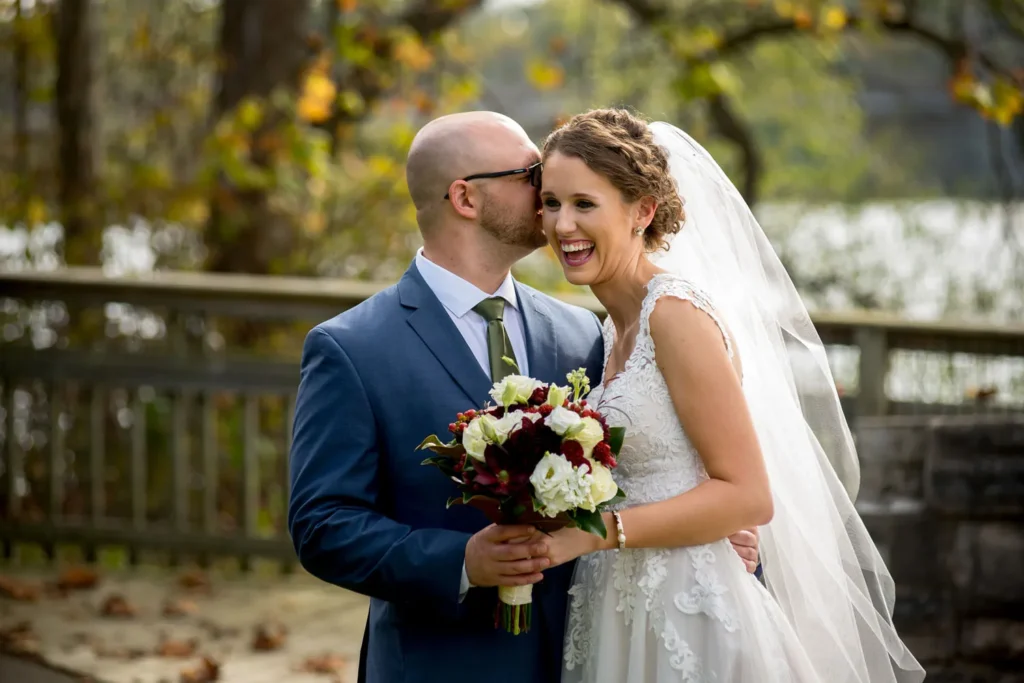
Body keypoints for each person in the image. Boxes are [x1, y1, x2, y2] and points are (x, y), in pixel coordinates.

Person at [287, 111, 760, 683]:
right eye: (531, 175)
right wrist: (460, 562)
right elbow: (322, 524)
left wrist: (717, 527)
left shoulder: (582, 331)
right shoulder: (352, 348)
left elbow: (647, 465)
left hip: (592, 646)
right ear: (465, 198)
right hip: (443, 663)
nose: (547, 199)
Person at [535, 108, 925, 683]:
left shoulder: (675, 314)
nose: (562, 225)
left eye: (584, 204)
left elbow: (748, 497)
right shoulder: (608, 329)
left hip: (688, 607)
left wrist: (595, 534)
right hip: (614, 604)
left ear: (642, 211)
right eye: (550, 203)